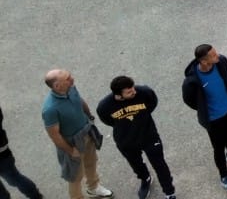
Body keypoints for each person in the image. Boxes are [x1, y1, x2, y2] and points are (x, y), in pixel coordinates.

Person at [96, 76, 175, 199]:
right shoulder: (105, 106)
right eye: (129, 92)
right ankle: (146, 179)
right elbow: (107, 120)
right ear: (119, 95)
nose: (134, 92)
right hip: (126, 141)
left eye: (133, 88)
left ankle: (169, 192)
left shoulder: (144, 92)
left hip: (149, 136)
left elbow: (152, 104)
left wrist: (142, 118)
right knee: (136, 164)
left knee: (160, 164)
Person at [181, 45, 227, 194]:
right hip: (214, 120)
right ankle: (224, 177)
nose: (218, 55)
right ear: (203, 61)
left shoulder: (221, 62)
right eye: (213, 55)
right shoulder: (192, 81)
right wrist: (204, 109)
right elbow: (189, 100)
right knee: (218, 147)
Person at [43, 69, 112, 199]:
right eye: (68, 78)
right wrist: (70, 150)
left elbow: (79, 100)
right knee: (75, 176)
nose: (72, 79)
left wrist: (89, 115)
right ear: (57, 86)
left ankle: (94, 187)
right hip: (71, 143)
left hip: (86, 132)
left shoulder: (71, 88)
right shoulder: (50, 109)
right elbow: (54, 135)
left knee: (91, 162)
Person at [0, 103, 41, 199]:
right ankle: (35, 195)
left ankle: (34, 195)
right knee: (15, 178)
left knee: (14, 178)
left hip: (2, 154)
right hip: (3, 153)